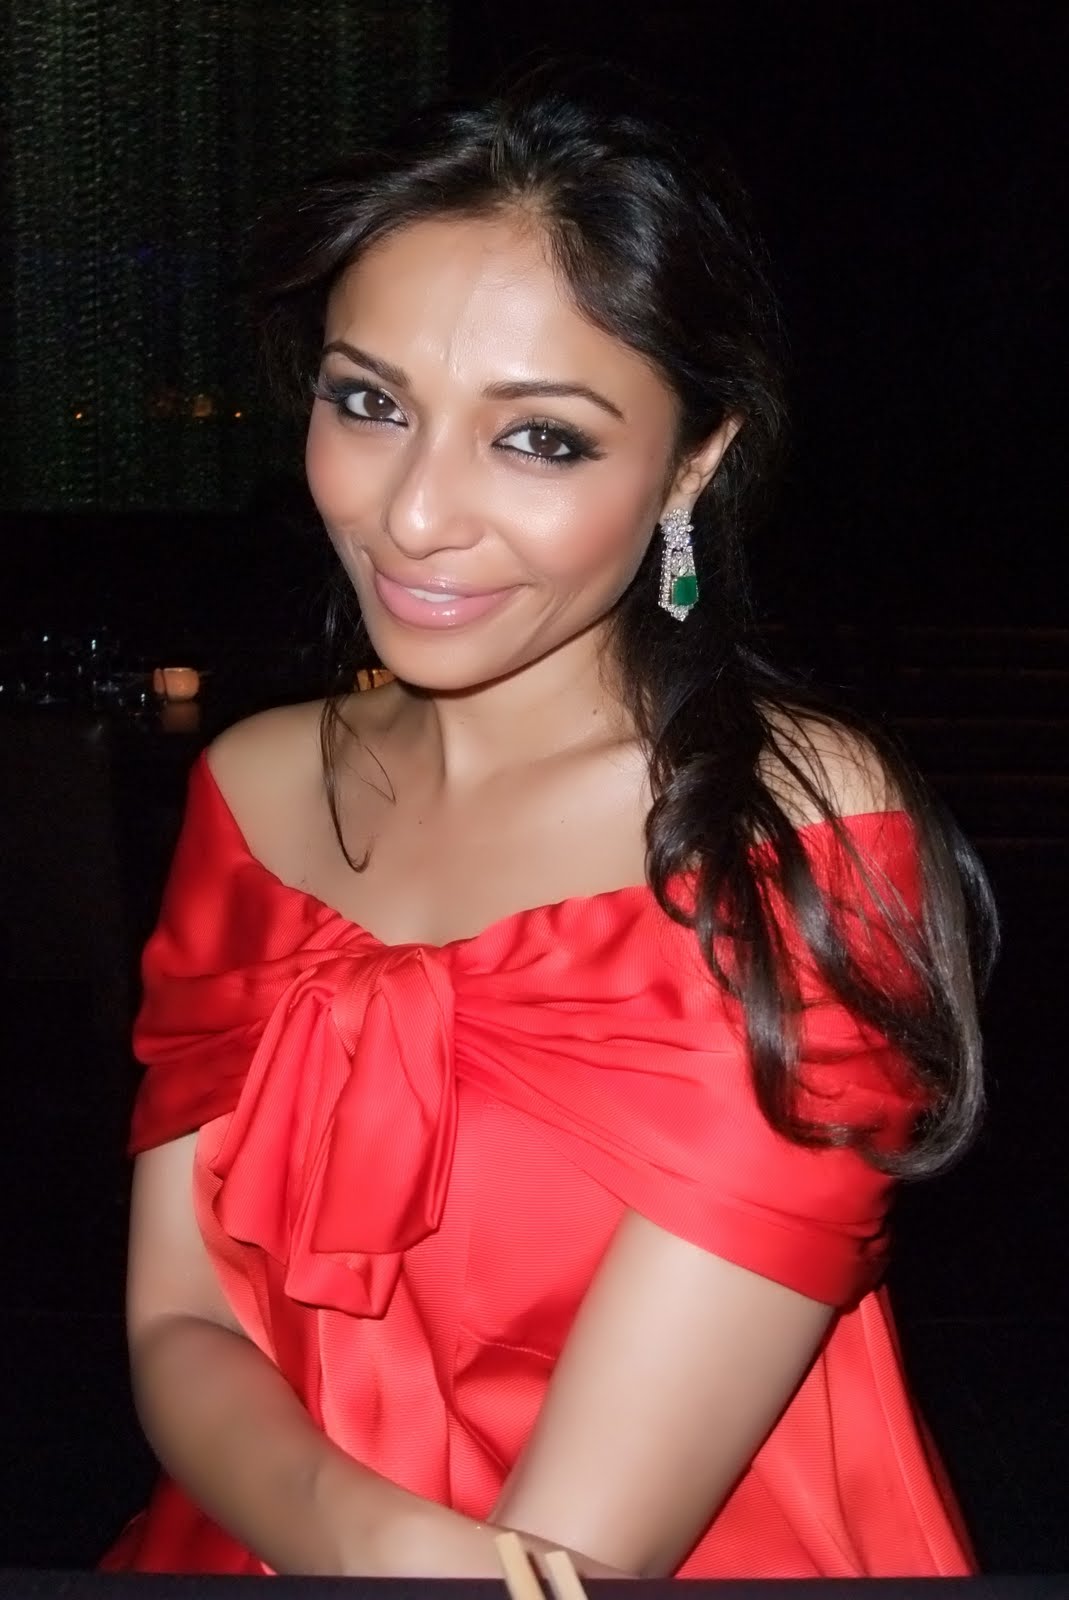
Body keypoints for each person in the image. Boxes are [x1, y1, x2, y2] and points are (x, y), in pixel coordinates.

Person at [103, 69, 996, 1580]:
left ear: (694, 461)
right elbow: (176, 1317)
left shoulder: (791, 828)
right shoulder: (252, 791)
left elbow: (579, 1550)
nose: (414, 514)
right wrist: (357, 1535)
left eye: (542, 440)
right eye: (370, 403)